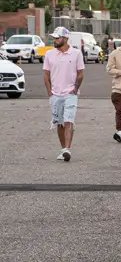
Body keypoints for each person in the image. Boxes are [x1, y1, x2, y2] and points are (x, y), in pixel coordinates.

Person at [43, 27, 84, 162]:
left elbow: (80, 74)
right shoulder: (49, 54)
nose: (54, 40)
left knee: (68, 121)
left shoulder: (76, 53)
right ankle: (63, 149)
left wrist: (75, 89)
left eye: (57, 38)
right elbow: (46, 74)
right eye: (54, 38)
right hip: (55, 94)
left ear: (65, 38)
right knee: (59, 123)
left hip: (70, 93)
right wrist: (50, 92)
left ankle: (67, 149)